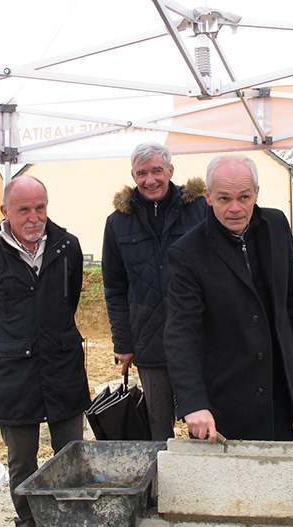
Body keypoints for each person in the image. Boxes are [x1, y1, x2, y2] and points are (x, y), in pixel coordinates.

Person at [0, 175, 91, 527]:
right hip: (13, 372)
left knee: (71, 451)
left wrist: (49, 338)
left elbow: (70, 298)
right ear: (5, 212)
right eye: (24, 210)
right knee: (22, 457)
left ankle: (72, 526)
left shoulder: (68, 247)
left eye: (40, 208)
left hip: (62, 363)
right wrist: (8, 343)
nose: (34, 217)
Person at [164, 153, 293, 442]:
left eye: (244, 197)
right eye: (224, 199)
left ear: (256, 192)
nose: (235, 208)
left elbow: (292, 294)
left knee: (276, 476)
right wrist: (194, 403)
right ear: (207, 196)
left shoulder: (276, 225)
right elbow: (181, 332)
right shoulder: (187, 253)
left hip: (276, 387)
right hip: (224, 396)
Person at [102, 142, 206, 440]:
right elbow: (115, 288)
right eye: (142, 173)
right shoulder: (117, 224)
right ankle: (161, 486)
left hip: (199, 339)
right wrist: (123, 344)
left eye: (157, 171)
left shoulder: (199, 210)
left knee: (202, 423)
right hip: (149, 342)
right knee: (158, 430)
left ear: (171, 171)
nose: (150, 180)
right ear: (133, 176)